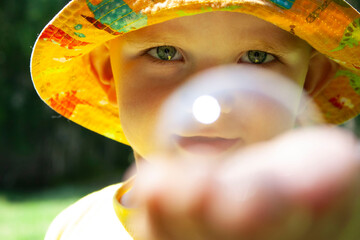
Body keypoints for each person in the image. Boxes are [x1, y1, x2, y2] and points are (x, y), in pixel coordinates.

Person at [30, 0, 360, 239]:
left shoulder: (322, 224)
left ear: (307, 83)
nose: (208, 102)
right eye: (165, 53)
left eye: (257, 58)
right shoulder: (74, 227)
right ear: (108, 73)